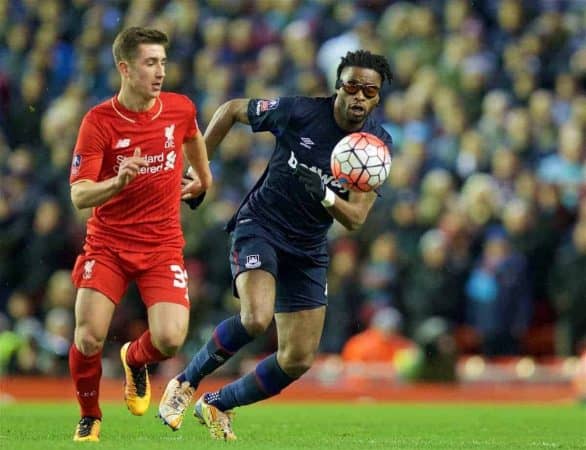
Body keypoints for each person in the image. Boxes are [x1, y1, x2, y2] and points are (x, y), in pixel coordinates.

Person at [158, 49, 393, 441]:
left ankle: (218, 403)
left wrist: (326, 196)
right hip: (261, 226)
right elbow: (232, 109)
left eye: (369, 91)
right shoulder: (299, 112)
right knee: (255, 318)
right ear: (338, 85)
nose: (359, 97)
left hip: (309, 247)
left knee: (298, 359)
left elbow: (355, 218)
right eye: (352, 86)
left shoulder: (376, 147)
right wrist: (200, 172)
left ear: (377, 98)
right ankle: (183, 383)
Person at [68, 27, 212, 442]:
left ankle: (134, 358)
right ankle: (90, 416)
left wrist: (204, 177)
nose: (160, 71)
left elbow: (193, 135)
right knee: (88, 335)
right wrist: (116, 183)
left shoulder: (179, 107)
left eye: (163, 62)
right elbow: (79, 194)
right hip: (109, 244)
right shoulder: (98, 121)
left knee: (169, 339)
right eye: (151, 63)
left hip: (162, 244)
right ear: (125, 68)